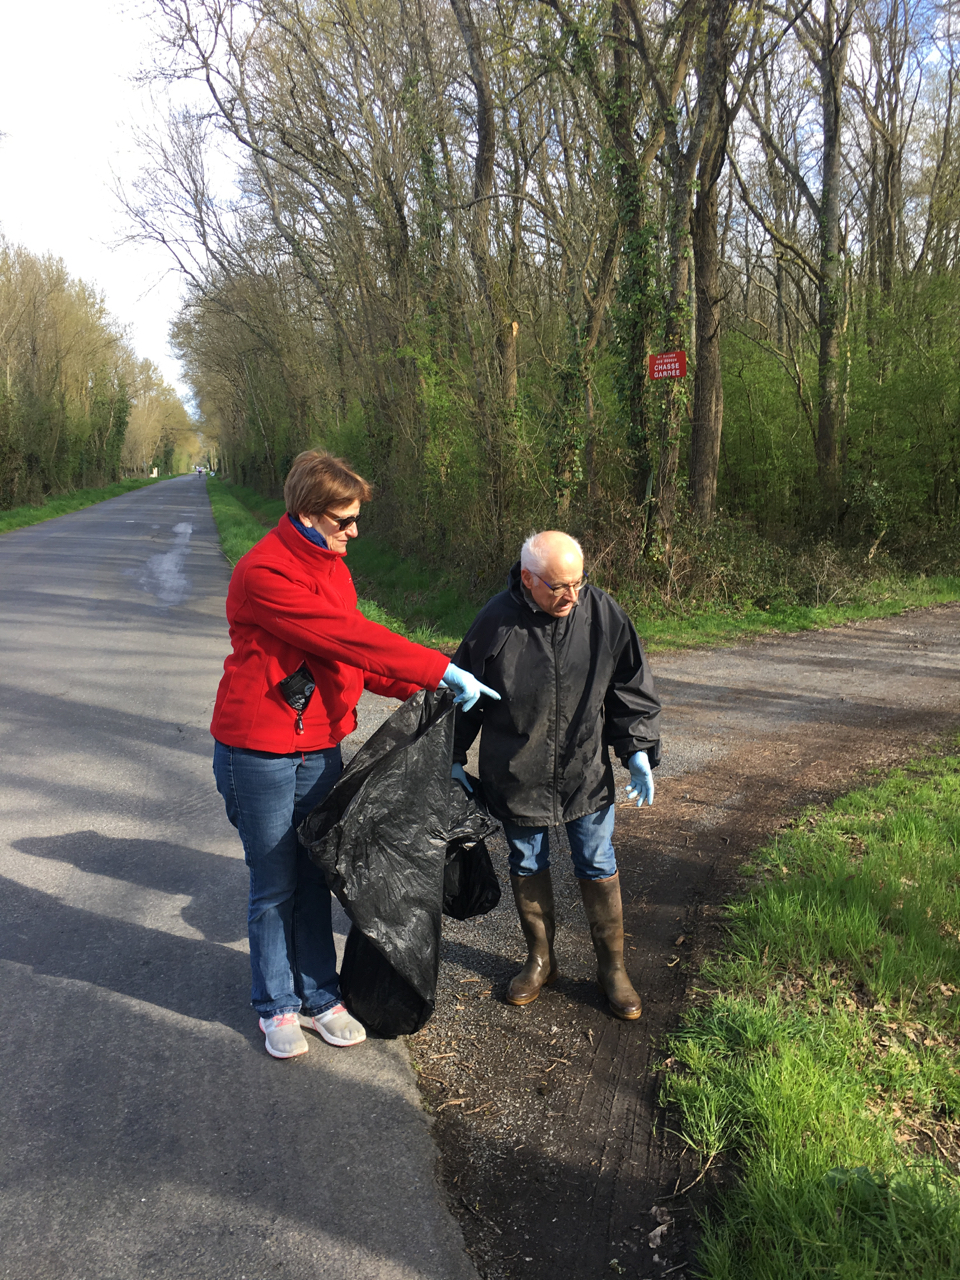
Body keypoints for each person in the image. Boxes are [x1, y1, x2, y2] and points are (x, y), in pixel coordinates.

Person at [211, 450, 497, 1059]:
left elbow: (350, 660)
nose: (355, 531)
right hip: (258, 751)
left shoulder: (334, 570)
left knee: (316, 874)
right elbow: (347, 636)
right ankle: (276, 1004)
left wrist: (431, 686)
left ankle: (320, 997)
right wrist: (437, 666)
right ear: (308, 514)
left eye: (356, 518)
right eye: (344, 520)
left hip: (318, 746)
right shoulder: (264, 572)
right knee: (275, 883)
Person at [450, 531, 660, 1020]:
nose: (572, 596)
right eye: (559, 586)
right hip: (516, 771)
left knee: (597, 861)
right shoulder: (496, 620)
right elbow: (463, 693)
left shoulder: (603, 614)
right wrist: (453, 757)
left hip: (585, 769)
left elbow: (630, 686)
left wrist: (637, 750)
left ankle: (612, 969)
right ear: (528, 579)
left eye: (578, 583)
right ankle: (540, 961)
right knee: (526, 861)